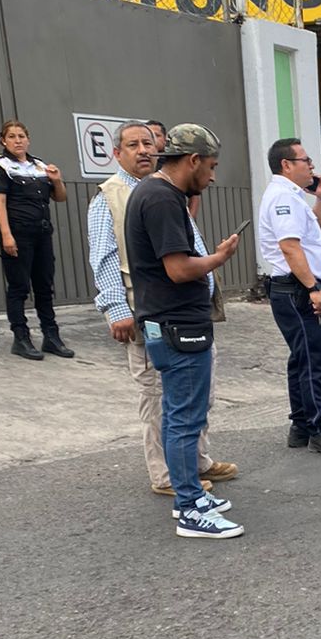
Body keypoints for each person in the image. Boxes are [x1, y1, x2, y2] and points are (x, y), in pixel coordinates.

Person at [87, 120, 237, 497]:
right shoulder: (113, 196)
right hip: (150, 314)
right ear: (117, 153)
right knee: (159, 399)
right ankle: (169, 476)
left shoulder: (165, 191)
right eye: (132, 145)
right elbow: (104, 258)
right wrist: (115, 308)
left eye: (147, 142)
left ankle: (195, 462)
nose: (143, 150)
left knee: (194, 396)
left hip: (184, 313)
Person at [124, 123, 243, 539]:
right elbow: (177, 269)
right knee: (183, 417)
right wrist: (218, 258)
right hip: (176, 323)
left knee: (183, 415)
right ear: (192, 161)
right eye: (209, 167)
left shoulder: (161, 194)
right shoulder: (160, 198)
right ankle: (190, 506)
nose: (212, 177)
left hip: (174, 321)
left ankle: (191, 496)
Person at [257, 135, 321, 456]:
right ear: (286, 165)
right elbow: (289, 247)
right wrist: (312, 288)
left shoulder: (294, 197)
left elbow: (318, 228)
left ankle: (301, 425)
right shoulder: (282, 198)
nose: (311, 166)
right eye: (305, 161)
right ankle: (320, 429)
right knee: (312, 359)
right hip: (296, 290)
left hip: (298, 288)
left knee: (301, 358)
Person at [0, 119, 74, 360]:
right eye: (12, 136)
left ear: (28, 139)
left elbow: (61, 198)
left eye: (21, 136)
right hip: (18, 233)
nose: (17, 140)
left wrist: (56, 180)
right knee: (19, 287)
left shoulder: (39, 166)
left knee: (45, 286)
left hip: (42, 233)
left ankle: (51, 336)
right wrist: (6, 235)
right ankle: (21, 337)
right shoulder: (0, 165)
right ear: (3, 140)